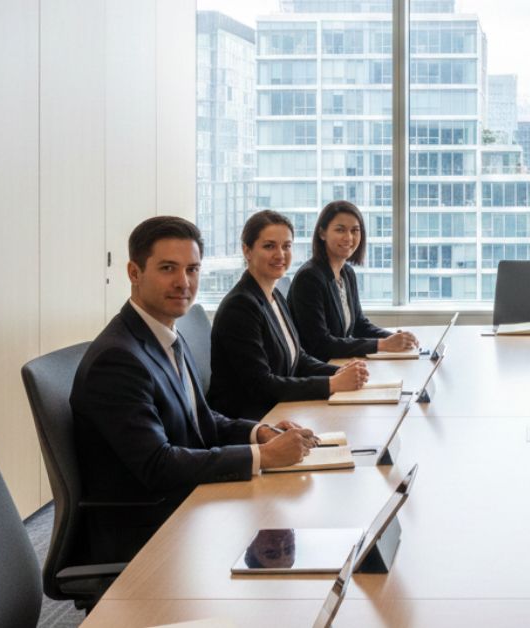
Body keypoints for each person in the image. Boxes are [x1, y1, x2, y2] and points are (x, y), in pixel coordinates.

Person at [71, 216, 317, 564]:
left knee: (298, 515)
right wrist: (265, 457)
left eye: (192, 269)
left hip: (187, 501)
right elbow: (158, 465)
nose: (183, 282)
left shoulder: (167, 334)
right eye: (168, 268)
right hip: (148, 528)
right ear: (134, 272)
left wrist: (260, 433)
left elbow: (201, 421)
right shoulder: (118, 359)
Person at [209, 210, 369, 420]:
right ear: (247, 251)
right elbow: (261, 385)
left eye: (286, 246)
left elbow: (298, 359)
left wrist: (337, 373)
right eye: (269, 246)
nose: (280, 254)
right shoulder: (240, 307)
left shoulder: (274, 295)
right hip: (253, 420)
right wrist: (332, 383)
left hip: (280, 408)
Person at [288, 200, 416, 359]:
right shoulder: (309, 278)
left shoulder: (347, 273)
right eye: (340, 230)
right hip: (322, 369)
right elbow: (320, 344)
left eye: (355, 230)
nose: (348, 237)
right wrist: (382, 345)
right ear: (322, 233)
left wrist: (395, 339)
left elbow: (360, 325)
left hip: (342, 362)